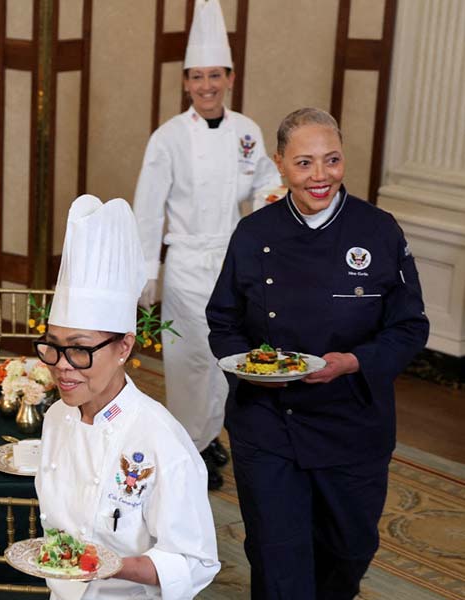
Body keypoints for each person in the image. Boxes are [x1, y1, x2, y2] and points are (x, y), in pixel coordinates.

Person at [206, 107, 429, 599]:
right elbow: (223, 321)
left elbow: (410, 326)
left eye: (331, 160)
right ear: (280, 164)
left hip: (353, 422)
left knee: (348, 551)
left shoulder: (378, 231)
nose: (320, 175)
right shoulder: (254, 234)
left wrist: (355, 362)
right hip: (268, 423)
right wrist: (253, 367)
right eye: (304, 163)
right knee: (276, 555)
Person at [34, 194, 220, 600]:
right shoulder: (56, 419)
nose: (62, 365)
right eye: (52, 347)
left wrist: (115, 565)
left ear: (123, 348)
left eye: (80, 349)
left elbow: (197, 562)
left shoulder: (160, 438)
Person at [132, 0, 282, 489]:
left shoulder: (246, 132)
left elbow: (264, 183)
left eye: (215, 75)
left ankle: (206, 437)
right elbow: (148, 207)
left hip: (234, 261)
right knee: (188, 359)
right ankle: (188, 448)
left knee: (229, 357)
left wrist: (269, 212)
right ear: (186, 82)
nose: (206, 86)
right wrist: (146, 273)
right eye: (197, 77)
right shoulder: (168, 138)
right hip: (189, 264)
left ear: (230, 78)